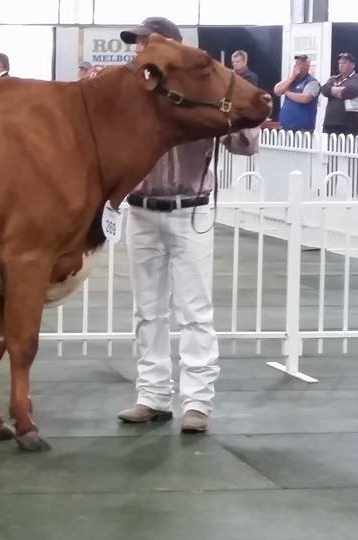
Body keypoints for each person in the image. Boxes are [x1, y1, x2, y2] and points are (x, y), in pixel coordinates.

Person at [115, 17, 263, 434]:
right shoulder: (133, 95)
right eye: (138, 44)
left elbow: (245, 144)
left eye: (145, 43)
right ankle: (152, 395)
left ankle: (197, 402)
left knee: (194, 310)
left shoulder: (202, 90)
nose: (138, 50)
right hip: (142, 208)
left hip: (190, 209)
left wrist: (237, 106)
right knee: (148, 311)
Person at [321, 52, 358, 136]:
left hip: (347, 125)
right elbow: (324, 90)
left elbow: (351, 90)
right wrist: (336, 90)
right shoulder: (334, 78)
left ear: (352, 65)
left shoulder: (357, 78)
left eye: (344, 63)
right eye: (340, 63)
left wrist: (333, 91)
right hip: (330, 123)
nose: (341, 65)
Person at [274, 54, 321, 133]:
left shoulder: (312, 82)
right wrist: (292, 77)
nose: (297, 66)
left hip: (303, 128)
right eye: (296, 64)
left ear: (307, 66)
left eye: (300, 64)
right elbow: (277, 91)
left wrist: (287, 92)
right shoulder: (290, 81)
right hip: (286, 125)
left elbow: (305, 98)